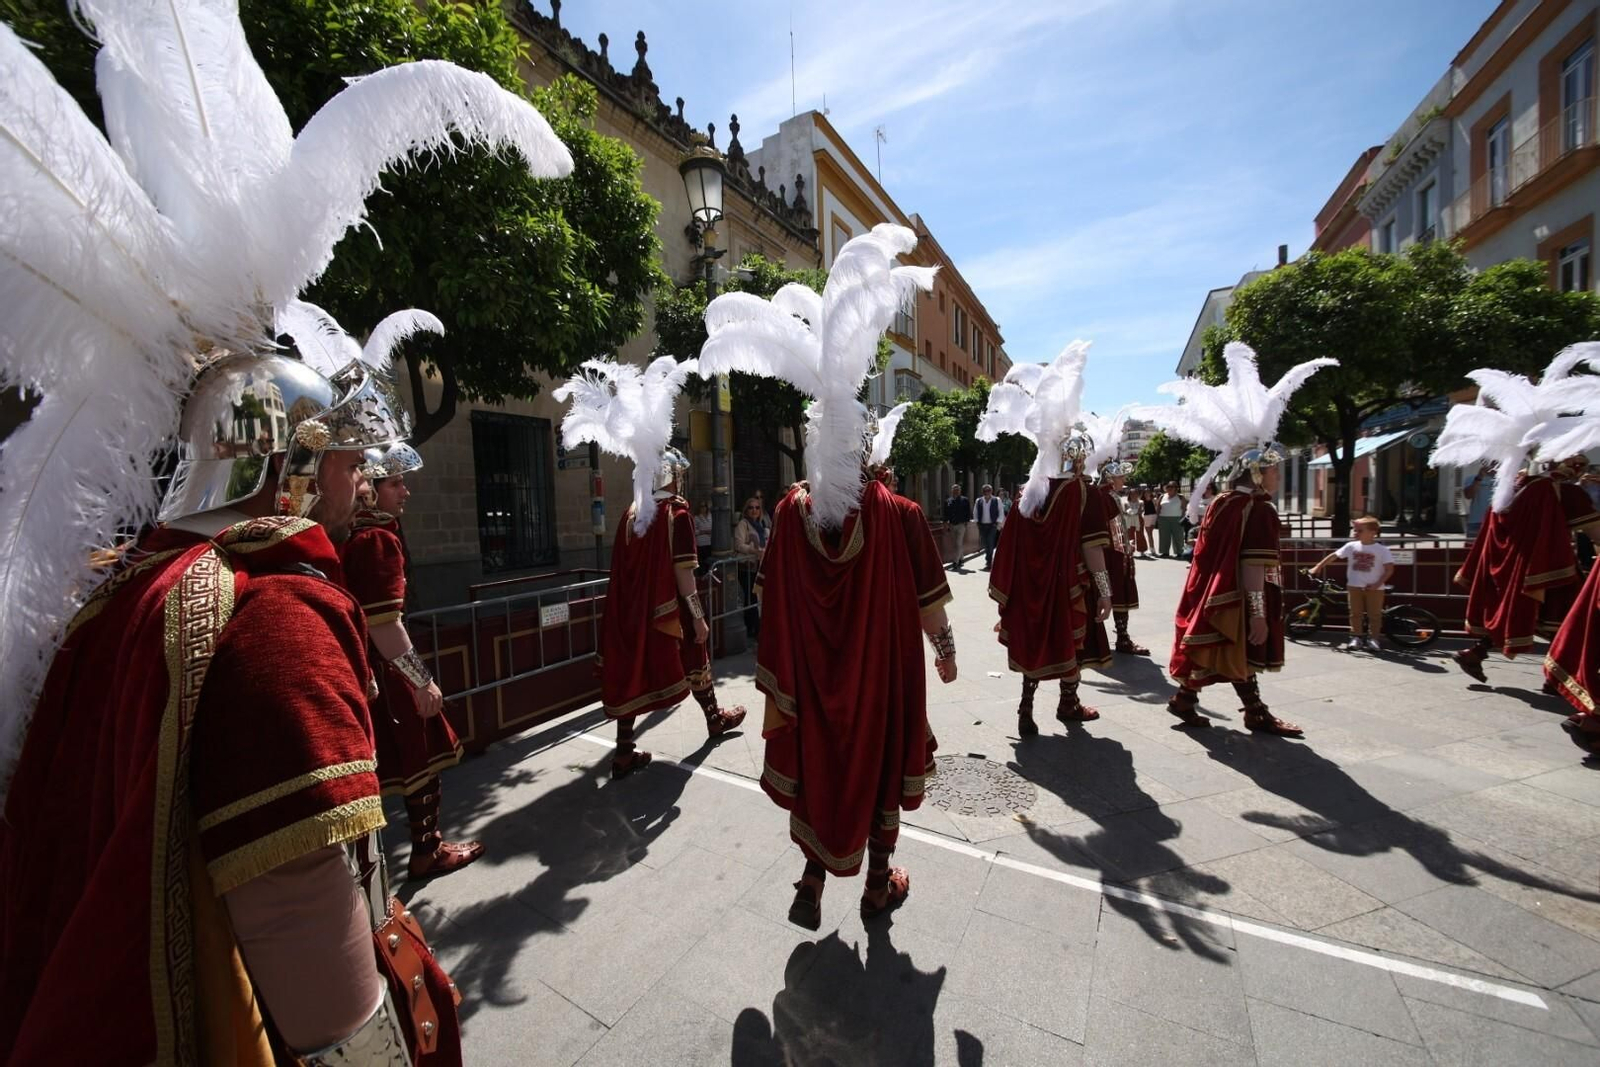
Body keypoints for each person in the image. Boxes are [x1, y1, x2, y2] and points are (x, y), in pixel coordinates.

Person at [0, 14, 571, 1062]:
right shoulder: (272, 610)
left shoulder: (120, 587)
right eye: (346, 461)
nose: (362, 483)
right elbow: (319, 963)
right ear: (290, 464)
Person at [702, 224, 953, 927]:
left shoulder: (790, 511)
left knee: (819, 765)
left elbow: (768, 594)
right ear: (869, 449)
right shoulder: (900, 514)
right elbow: (932, 603)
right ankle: (877, 884)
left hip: (812, 680)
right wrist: (949, 649)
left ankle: (812, 881)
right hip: (881, 680)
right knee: (877, 772)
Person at [554, 358, 747, 778]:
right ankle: (714, 719)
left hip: (631, 612)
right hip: (668, 613)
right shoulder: (675, 514)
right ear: (674, 477)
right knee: (697, 654)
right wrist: (698, 617)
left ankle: (623, 752)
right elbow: (683, 574)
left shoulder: (630, 513)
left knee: (631, 672)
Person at [1141, 342, 1339, 738]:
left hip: (1211, 591)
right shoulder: (1258, 509)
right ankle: (1254, 712)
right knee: (1236, 650)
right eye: (1274, 471)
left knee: (1220, 651)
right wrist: (1258, 613)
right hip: (1237, 594)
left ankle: (1189, 699)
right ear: (1257, 473)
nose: (1278, 477)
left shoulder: (1223, 502)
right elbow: (1252, 565)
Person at [344, 442, 484, 877]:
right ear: (372, 490)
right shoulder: (375, 539)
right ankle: (426, 850)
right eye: (397, 483)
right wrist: (422, 680)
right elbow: (385, 624)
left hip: (363, 666)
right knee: (420, 755)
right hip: (383, 669)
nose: (405, 492)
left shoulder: (354, 534)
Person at [979, 341, 1117, 733]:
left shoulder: (1029, 493)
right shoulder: (1081, 493)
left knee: (1034, 645)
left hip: (1030, 590)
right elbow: (1092, 548)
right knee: (1072, 643)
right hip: (1069, 586)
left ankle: (1025, 709)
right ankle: (1068, 704)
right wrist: (1105, 590)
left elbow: (1010, 547)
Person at [1081, 412, 1150, 656]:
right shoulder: (1103, 495)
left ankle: (1121, 637)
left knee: (1119, 596)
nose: (1123, 479)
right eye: (1120, 475)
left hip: (1117, 553)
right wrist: (1121, 551)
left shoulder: (1106, 494)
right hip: (1110, 555)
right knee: (1116, 595)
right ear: (1111, 476)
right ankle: (1121, 638)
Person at [1309, 516, 1395, 651]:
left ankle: (1374, 639)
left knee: (1375, 614)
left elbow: (1389, 569)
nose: (1355, 533)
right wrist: (1318, 566)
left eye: (1359, 530)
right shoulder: (1351, 546)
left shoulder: (1382, 550)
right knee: (1355, 613)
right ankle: (1356, 637)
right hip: (1354, 585)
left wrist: (1377, 584)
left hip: (1375, 588)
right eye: (1355, 530)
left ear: (1373, 532)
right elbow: (1334, 556)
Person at [734, 496, 768, 638]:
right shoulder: (743, 524)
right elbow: (738, 545)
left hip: (760, 567)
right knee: (751, 597)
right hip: (747, 567)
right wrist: (754, 550)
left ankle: (756, 627)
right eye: (751, 507)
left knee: (759, 598)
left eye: (757, 507)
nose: (754, 510)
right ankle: (754, 629)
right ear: (746, 510)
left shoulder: (763, 526)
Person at [974, 483, 1004, 570]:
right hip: (982, 525)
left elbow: (1000, 512)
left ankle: (989, 562)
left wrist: (998, 523)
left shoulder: (997, 500)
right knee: (985, 544)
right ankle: (989, 559)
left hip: (992, 525)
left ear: (991, 491)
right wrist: (976, 522)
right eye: (985, 490)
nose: (986, 492)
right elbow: (975, 512)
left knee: (990, 543)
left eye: (988, 490)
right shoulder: (979, 501)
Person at [943, 483, 972, 571]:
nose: (956, 491)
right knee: (955, 543)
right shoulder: (948, 501)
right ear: (952, 491)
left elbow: (968, 512)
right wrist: (945, 523)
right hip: (952, 524)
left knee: (958, 543)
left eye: (957, 490)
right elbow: (945, 513)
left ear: (960, 491)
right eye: (954, 490)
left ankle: (955, 562)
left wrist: (966, 522)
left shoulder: (964, 500)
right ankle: (961, 558)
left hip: (961, 524)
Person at [1157, 481, 1187, 558]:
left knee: (1178, 536)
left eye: (1172, 487)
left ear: (1176, 488)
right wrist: (1158, 518)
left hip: (1177, 518)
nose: (1170, 488)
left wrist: (1183, 518)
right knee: (1164, 536)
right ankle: (1165, 552)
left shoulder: (1181, 497)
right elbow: (1158, 508)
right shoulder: (1162, 496)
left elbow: (1184, 508)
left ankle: (1179, 552)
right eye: (1168, 487)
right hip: (1163, 518)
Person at [693, 499, 714, 573]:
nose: (703, 508)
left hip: (710, 541)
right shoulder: (696, 518)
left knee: (710, 561)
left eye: (705, 506)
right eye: (701, 506)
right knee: (702, 561)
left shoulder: (710, 516)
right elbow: (694, 531)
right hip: (701, 543)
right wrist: (703, 531)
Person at [1140, 487, 1159, 556]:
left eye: (1148, 491)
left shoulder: (1154, 499)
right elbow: (1141, 509)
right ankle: (1152, 549)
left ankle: (1152, 549)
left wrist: (1157, 517)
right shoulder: (1142, 500)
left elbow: (1157, 508)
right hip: (1146, 517)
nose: (1147, 493)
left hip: (1153, 516)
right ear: (1143, 493)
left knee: (1150, 533)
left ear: (1151, 492)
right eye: (1146, 492)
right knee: (1149, 534)